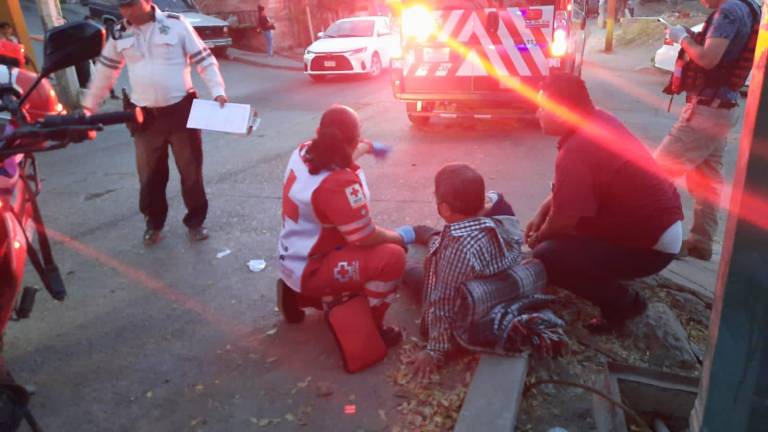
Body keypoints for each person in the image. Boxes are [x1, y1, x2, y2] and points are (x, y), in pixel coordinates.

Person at [527, 74, 684, 333]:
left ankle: (625, 304)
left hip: (651, 247)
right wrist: (539, 214)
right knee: (556, 238)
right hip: (661, 228)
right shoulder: (598, 120)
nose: (538, 113)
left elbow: (564, 221)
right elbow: (566, 193)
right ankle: (607, 272)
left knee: (548, 256)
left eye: (543, 107)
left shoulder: (577, 150)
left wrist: (537, 240)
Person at [83, 0, 228, 246]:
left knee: (191, 173)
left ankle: (195, 222)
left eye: (131, 5)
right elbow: (104, 73)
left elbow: (204, 59)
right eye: (122, 7)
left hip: (182, 112)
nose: (126, 11)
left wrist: (217, 91)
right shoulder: (119, 32)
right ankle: (154, 224)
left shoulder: (176, 24)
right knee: (150, 177)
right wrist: (88, 107)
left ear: (147, 2)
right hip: (145, 118)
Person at [276, 105, 406, 346]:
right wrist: (399, 237)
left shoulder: (303, 151)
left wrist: (366, 147)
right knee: (392, 256)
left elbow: (337, 155)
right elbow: (364, 236)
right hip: (313, 266)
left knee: (352, 236)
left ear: (319, 131)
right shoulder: (340, 183)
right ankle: (374, 326)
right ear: (354, 139)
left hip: (291, 253)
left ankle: (295, 293)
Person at [402, 164, 543, 381]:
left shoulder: (458, 247)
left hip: (471, 294)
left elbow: (443, 301)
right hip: (495, 274)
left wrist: (435, 350)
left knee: (414, 273)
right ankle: (426, 235)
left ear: (444, 209)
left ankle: (418, 243)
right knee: (437, 243)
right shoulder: (500, 209)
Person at [656, 0, 761, 261]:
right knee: (707, 179)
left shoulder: (728, 11)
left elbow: (708, 59)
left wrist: (682, 38)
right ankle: (701, 242)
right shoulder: (751, 7)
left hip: (706, 109)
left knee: (655, 175)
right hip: (724, 108)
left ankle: (666, 240)